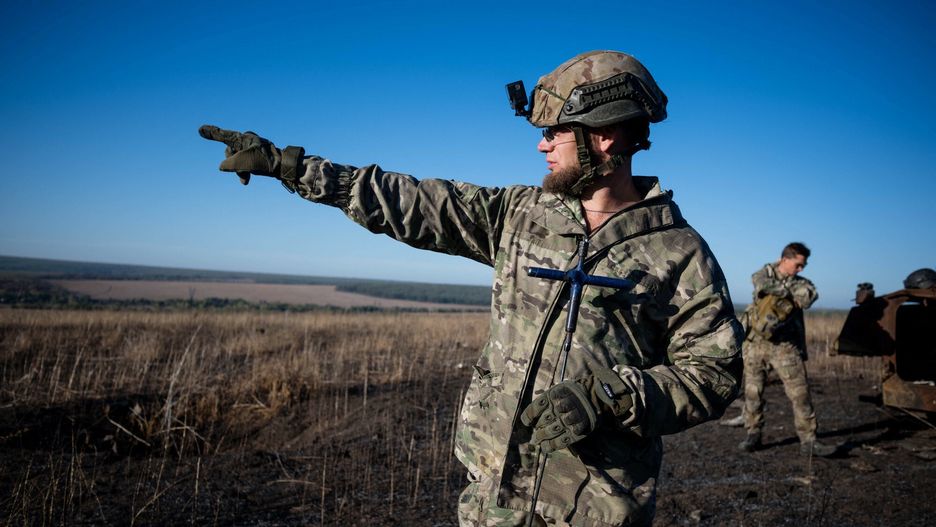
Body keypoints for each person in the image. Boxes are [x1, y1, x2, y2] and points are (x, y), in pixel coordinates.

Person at [200, 50, 743, 527]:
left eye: (553, 132)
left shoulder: (678, 252)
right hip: (493, 498)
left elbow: (714, 373)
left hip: (595, 506)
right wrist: (289, 166)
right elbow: (407, 200)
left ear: (602, 136)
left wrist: (611, 396)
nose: (541, 146)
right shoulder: (519, 215)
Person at [738, 243, 836, 457]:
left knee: (800, 394)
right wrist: (789, 293)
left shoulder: (803, 283)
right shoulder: (764, 273)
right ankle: (753, 433)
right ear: (784, 259)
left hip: (785, 347)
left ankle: (809, 441)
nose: (801, 269)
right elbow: (760, 283)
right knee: (753, 393)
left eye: (803, 266)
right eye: (798, 265)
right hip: (755, 344)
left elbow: (809, 297)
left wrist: (783, 291)